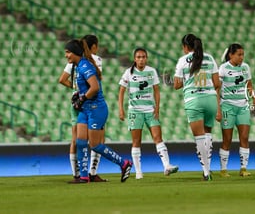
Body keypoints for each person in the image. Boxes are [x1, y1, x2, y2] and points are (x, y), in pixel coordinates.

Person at [64, 39, 132, 183]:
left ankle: (124, 163)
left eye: (68, 52)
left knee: (94, 145)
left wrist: (81, 99)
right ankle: (83, 177)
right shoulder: (76, 66)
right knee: (80, 141)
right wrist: (78, 95)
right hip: (85, 109)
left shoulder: (84, 66)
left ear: (75, 52)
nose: (66, 55)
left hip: (96, 109)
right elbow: (84, 88)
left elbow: (95, 88)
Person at [118, 47, 179, 179]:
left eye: (143, 57)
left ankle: (167, 166)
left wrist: (157, 108)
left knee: (158, 138)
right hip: (135, 111)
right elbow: (121, 91)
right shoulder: (128, 72)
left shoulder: (151, 72)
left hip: (150, 110)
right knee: (136, 141)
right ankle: (139, 172)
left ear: (146, 58)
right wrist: (121, 109)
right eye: (139, 57)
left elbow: (156, 90)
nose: (141, 59)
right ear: (135, 59)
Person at [58, 34, 106, 182]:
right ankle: (92, 172)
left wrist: (76, 89)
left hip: (76, 102)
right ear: (94, 47)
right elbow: (95, 84)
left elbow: (62, 79)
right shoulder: (95, 60)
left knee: (76, 139)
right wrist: (84, 93)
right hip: (90, 103)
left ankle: (77, 174)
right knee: (98, 139)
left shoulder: (75, 61)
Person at [174, 33, 220, 181]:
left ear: (186, 47)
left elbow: (176, 84)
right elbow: (217, 83)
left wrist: (186, 80)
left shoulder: (183, 60)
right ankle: (208, 168)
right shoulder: (209, 58)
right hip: (210, 99)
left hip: (194, 99)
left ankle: (206, 172)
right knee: (208, 134)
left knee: (199, 137)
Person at [217, 43, 255, 178]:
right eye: (239, 54)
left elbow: (249, 86)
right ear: (231, 55)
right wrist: (218, 108)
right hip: (227, 106)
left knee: (244, 137)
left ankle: (244, 168)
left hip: (243, 106)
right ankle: (223, 170)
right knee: (227, 139)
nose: (241, 57)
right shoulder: (223, 68)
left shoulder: (246, 68)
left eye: (243, 54)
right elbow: (217, 89)